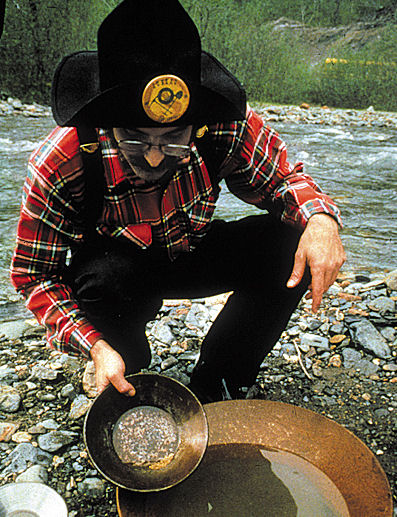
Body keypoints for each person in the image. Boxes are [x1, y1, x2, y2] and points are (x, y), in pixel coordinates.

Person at [10, 0, 345, 403]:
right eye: (135, 139)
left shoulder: (225, 127)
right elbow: (35, 276)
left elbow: (285, 180)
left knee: (292, 243)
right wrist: (94, 346)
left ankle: (220, 377)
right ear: (108, 126)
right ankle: (122, 363)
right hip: (118, 275)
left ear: (197, 124)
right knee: (105, 283)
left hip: (193, 250)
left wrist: (322, 221)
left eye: (172, 141)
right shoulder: (62, 160)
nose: (153, 157)